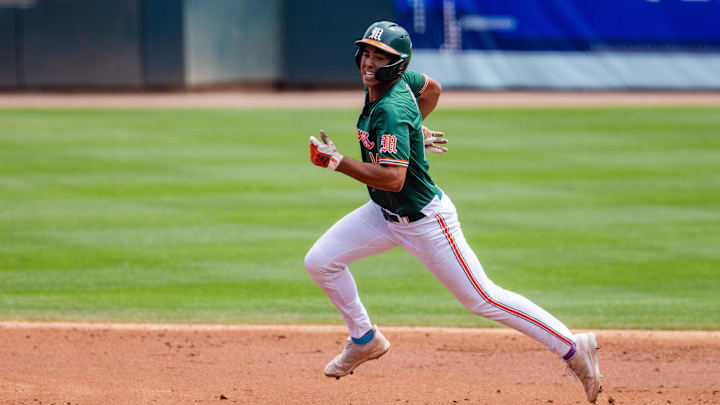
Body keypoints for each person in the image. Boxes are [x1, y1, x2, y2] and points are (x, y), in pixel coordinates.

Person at [304, 21, 602, 403]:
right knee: (321, 261)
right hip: (383, 213)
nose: (369, 61)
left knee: (483, 298)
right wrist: (416, 130)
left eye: (380, 56)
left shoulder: (391, 108)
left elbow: (393, 179)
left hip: (425, 221)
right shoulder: (390, 84)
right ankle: (365, 339)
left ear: (395, 64)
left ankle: (575, 348)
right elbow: (432, 88)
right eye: (366, 52)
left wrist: (337, 162)